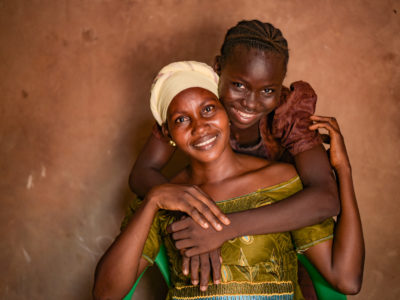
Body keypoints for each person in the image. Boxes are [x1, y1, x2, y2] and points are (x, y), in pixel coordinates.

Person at [93, 62, 364, 300]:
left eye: (209, 109)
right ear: (169, 133)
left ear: (228, 114)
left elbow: (346, 280)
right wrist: (153, 200)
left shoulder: (282, 183)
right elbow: (106, 294)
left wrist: (343, 170)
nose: (199, 127)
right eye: (181, 119)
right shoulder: (166, 199)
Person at [129, 20, 340, 298]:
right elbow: (142, 172)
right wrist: (195, 211)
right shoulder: (198, 99)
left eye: (267, 91)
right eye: (239, 85)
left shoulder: (290, 112)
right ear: (217, 71)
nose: (250, 103)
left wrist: (222, 228)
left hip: (282, 240)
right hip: (212, 258)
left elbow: (325, 197)